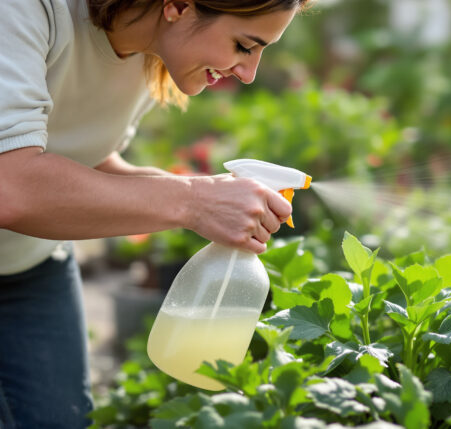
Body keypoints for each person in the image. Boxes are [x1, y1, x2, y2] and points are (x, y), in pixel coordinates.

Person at [0, 0, 309, 427]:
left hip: (30, 264)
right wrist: (192, 200)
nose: (249, 72)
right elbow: (10, 186)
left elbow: (83, 158)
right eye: (243, 45)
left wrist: (206, 196)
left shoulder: (152, 53)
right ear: (178, 6)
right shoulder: (26, 11)